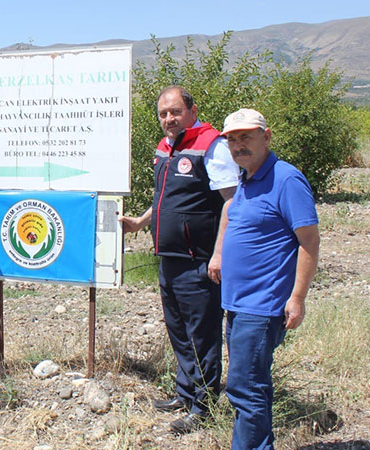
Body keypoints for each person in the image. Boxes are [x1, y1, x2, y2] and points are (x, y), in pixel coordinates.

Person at [119, 86, 239, 433]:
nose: (168, 119)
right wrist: (140, 222)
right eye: (163, 114)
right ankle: (185, 393)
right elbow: (165, 197)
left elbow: (231, 203)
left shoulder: (212, 146)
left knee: (202, 333)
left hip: (198, 259)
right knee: (178, 330)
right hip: (169, 256)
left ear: (192, 110)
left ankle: (203, 406)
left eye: (175, 112)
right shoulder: (166, 147)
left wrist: (219, 253)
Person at [212, 108, 320, 449]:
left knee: (244, 389)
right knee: (252, 385)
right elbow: (232, 216)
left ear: (266, 136)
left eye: (246, 137)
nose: (238, 145)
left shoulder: (286, 180)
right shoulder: (246, 178)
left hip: (262, 305)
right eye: (232, 139)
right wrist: (218, 255)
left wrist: (297, 298)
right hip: (239, 303)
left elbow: (309, 241)